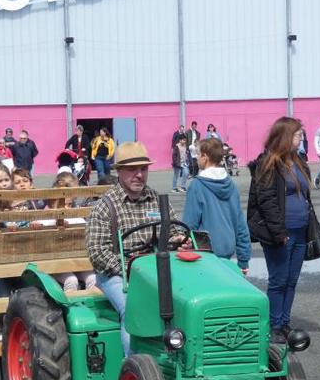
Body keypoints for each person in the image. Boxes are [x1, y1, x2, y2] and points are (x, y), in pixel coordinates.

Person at [86, 142, 186, 355]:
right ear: (119, 171)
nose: (139, 175)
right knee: (133, 308)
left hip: (157, 270)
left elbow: (176, 230)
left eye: (144, 169)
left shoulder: (158, 200)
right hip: (118, 274)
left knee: (186, 301)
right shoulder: (105, 206)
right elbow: (97, 253)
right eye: (132, 169)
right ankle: (135, 369)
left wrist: (180, 239)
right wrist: (131, 269)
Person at [247, 117, 315, 344]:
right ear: (286, 136)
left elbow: (305, 196)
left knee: (292, 280)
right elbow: (266, 201)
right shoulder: (268, 163)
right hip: (280, 233)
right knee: (278, 280)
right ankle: (274, 325)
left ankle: (285, 323)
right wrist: (279, 233)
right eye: (297, 135)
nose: (301, 138)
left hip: (300, 230)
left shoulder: (298, 161)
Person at [182, 138, 250, 273]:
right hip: (227, 253)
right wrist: (243, 260)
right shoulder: (231, 185)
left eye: (198, 154)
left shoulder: (197, 186)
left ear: (205, 157)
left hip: (204, 255)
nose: (196, 158)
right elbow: (240, 224)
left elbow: (189, 225)